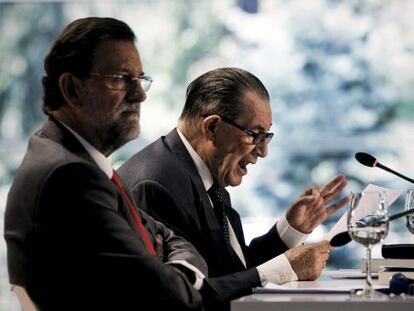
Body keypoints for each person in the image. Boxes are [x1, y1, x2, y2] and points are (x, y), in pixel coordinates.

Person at [3, 17, 207, 311]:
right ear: (72, 89)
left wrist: (169, 266)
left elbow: (171, 239)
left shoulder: (81, 160)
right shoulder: (69, 176)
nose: (140, 94)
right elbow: (169, 300)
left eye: (140, 78)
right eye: (121, 79)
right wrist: (178, 272)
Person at [118, 67, 348, 310]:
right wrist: (285, 269)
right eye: (256, 135)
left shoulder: (205, 174)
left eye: (266, 137)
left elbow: (233, 270)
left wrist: (290, 230)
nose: (263, 151)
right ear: (212, 128)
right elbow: (187, 297)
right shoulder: (154, 185)